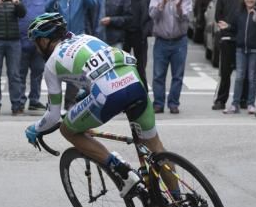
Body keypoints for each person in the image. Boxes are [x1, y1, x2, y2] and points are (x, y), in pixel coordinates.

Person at [23, 12, 166, 197]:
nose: (36, 48)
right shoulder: (86, 37)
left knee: (67, 129)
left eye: (36, 43)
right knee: (157, 148)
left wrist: (36, 129)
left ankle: (122, 171)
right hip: (134, 81)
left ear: (43, 41)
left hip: (108, 93)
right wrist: (89, 90)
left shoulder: (51, 64)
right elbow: (103, 66)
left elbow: (52, 116)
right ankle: (179, 203)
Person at [149, 0, 193, 114]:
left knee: (177, 75)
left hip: (179, 41)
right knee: (158, 75)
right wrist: (162, 3)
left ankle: (173, 103)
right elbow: (153, 16)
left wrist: (179, 9)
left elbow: (187, 18)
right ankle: (158, 103)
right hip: (161, 41)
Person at [211, 0, 249, 111]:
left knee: (244, 72)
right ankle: (221, 100)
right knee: (225, 72)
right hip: (227, 39)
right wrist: (225, 28)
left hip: (244, 39)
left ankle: (244, 99)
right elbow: (218, 16)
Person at [224, 0, 256, 114]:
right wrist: (227, 26)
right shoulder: (239, 12)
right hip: (241, 48)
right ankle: (235, 104)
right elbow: (235, 28)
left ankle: (251, 104)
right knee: (239, 77)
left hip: (255, 49)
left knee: (252, 77)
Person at [17, 0, 50, 111]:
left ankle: (34, 101)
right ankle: (19, 101)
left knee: (37, 73)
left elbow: (50, 14)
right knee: (20, 74)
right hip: (19, 43)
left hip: (38, 44)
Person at [123, 0, 153, 82]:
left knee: (140, 68)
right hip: (124, 34)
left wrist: (148, 31)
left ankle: (142, 95)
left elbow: (152, 16)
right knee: (123, 66)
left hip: (140, 36)